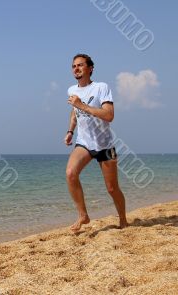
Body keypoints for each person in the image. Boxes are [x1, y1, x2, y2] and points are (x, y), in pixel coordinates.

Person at [64, 53, 128, 232]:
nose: (76, 68)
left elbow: (109, 115)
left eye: (80, 65)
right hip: (84, 143)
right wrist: (70, 131)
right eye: (73, 66)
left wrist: (82, 105)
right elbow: (74, 113)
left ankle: (123, 219)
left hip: (105, 145)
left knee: (112, 188)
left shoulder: (101, 88)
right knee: (70, 173)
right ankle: (83, 215)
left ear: (90, 68)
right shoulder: (71, 90)